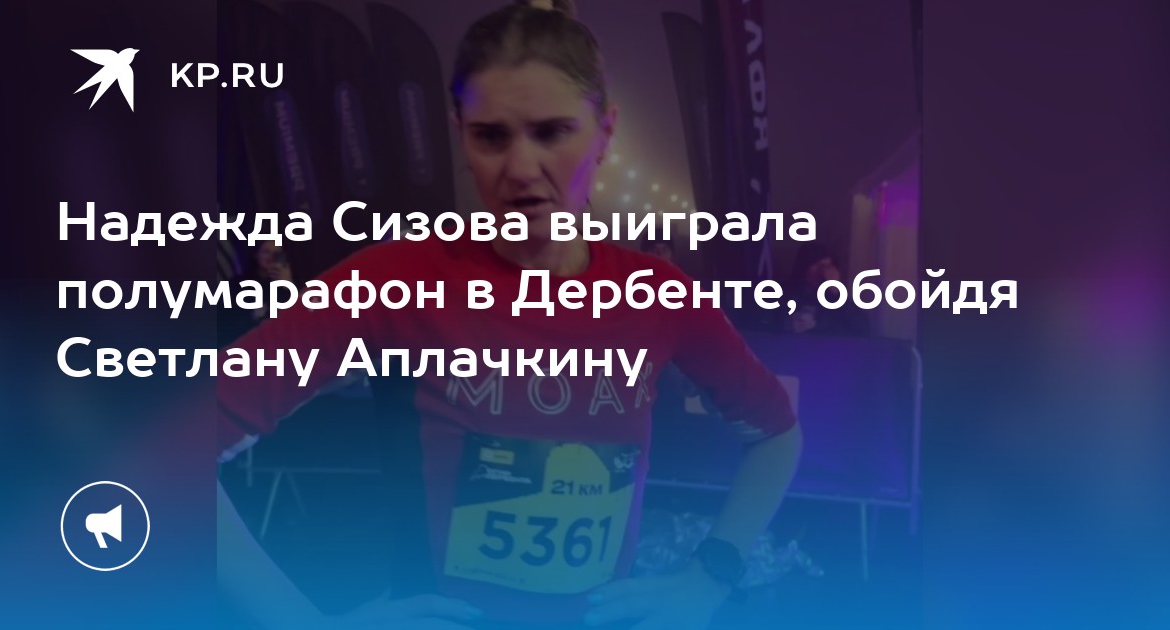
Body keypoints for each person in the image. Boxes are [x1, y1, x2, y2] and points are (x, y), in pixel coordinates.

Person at [217, 1, 801, 628]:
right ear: (460, 134)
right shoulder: (395, 280)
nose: (521, 169)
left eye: (552, 132)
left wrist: (712, 574)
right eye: (492, 136)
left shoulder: (657, 294)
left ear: (605, 133)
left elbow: (778, 434)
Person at [782, 241, 872, 336]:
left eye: (828, 266)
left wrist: (836, 292)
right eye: (817, 265)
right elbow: (774, 322)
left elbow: (863, 328)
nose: (823, 271)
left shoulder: (834, 297)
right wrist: (787, 325)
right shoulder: (786, 292)